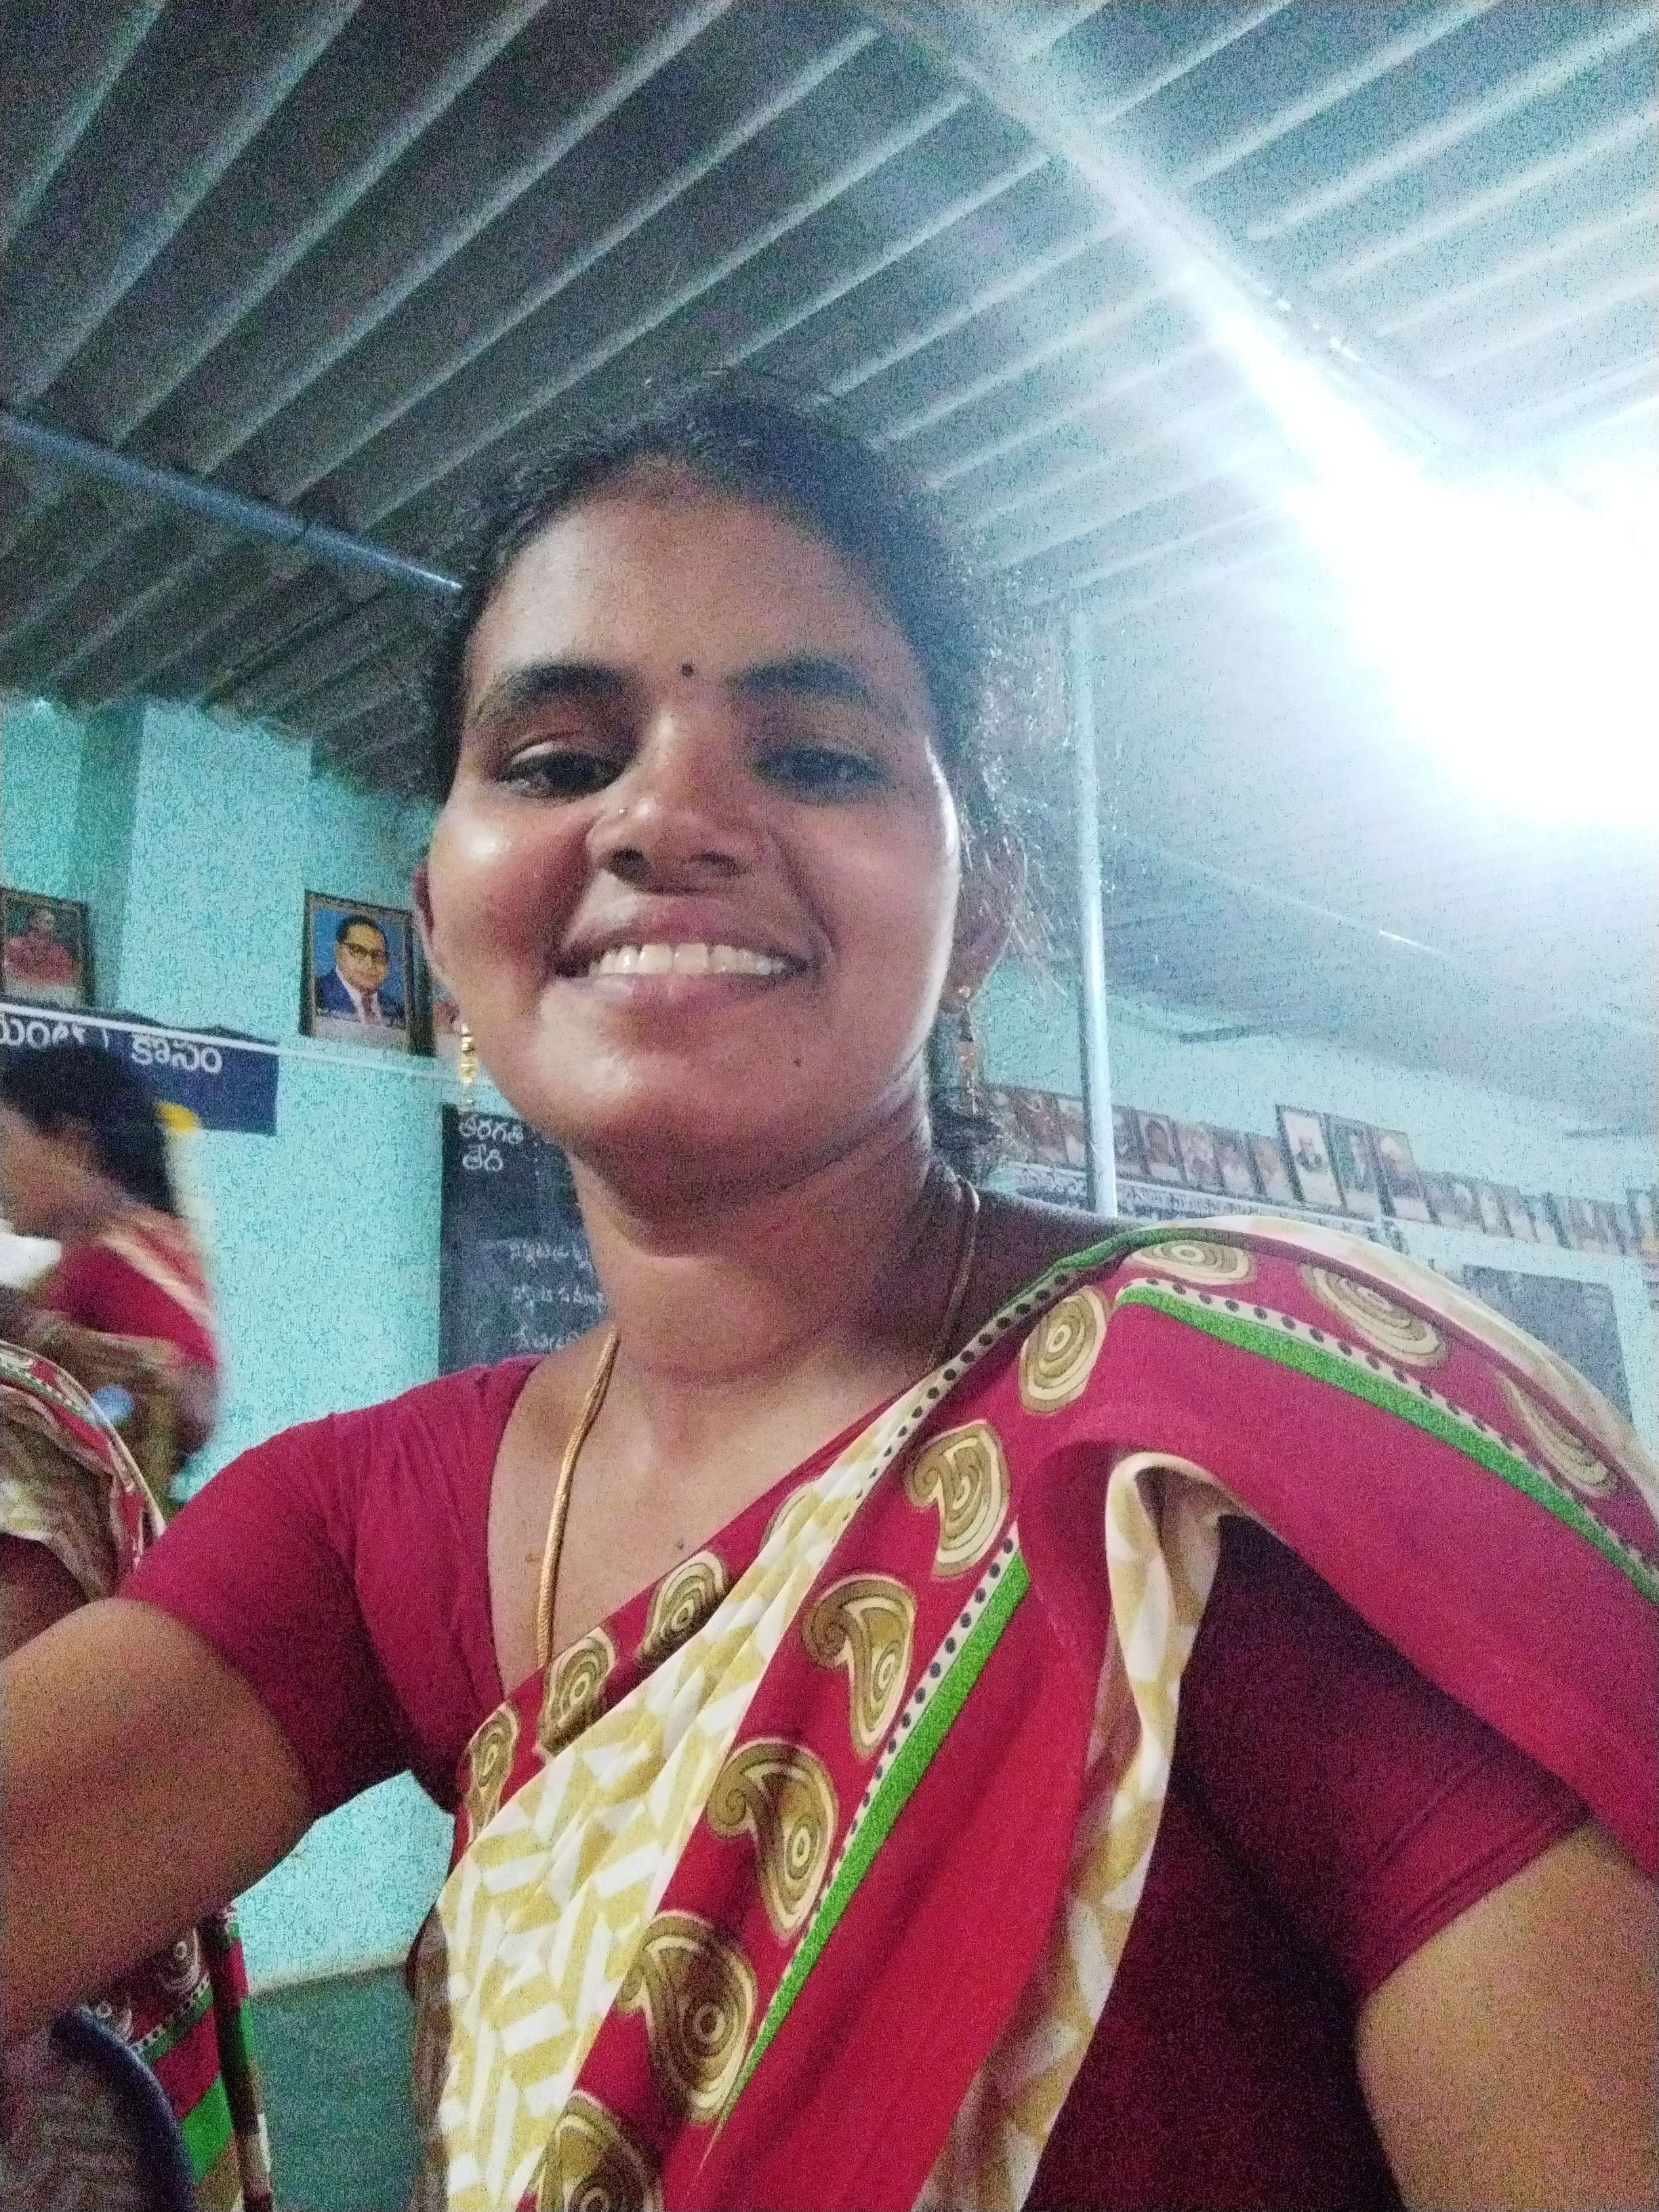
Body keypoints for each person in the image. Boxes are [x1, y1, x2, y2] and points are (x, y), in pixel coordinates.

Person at [1, 391, 1654, 2212]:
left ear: (979, 910)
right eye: (555, 758)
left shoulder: (1224, 1471)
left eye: (813, 755)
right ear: (441, 917)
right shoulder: (367, 1519)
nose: (665, 814)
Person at [0, 1043, 270, 2207]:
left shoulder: (128, 1251)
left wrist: (58, 1365)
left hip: (101, 1621)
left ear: (70, 1138)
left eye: (6, 1143)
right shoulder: (75, 1266)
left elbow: (182, 1398)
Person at [314, 912, 406, 1027]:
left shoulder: (399, 1011)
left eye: (378, 955)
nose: (369, 964)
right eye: (358, 951)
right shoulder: (315, 995)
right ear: (337, 951)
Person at [2, 903, 81, 1003]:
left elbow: (67, 984)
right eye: (48, 922)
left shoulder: (61, 953)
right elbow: (10, 977)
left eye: (53, 923)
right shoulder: (15, 945)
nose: (52, 927)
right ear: (34, 923)